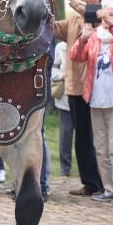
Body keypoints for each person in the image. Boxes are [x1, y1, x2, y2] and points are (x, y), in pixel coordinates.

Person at [70, 6, 113, 205]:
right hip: (95, 98)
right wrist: (83, 37)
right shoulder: (94, 38)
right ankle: (110, 189)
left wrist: (110, 23)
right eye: (105, 14)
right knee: (100, 147)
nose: (107, 18)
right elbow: (76, 56)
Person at [54, 0, 104, 197]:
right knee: (81, 139)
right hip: (73, 87)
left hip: (93, 88)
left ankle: (101, 182)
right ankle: (91, 182)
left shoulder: (102, 15)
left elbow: (91, 16)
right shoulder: (74, 19)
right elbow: (53, 29)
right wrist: (45, 2)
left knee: (95, 138)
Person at [52, 40, 73, 177]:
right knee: (66, 132)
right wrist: (61, 75)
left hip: (85, 96)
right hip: (65, 95)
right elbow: (52, 68)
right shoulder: (61, 47)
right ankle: (65, 166)